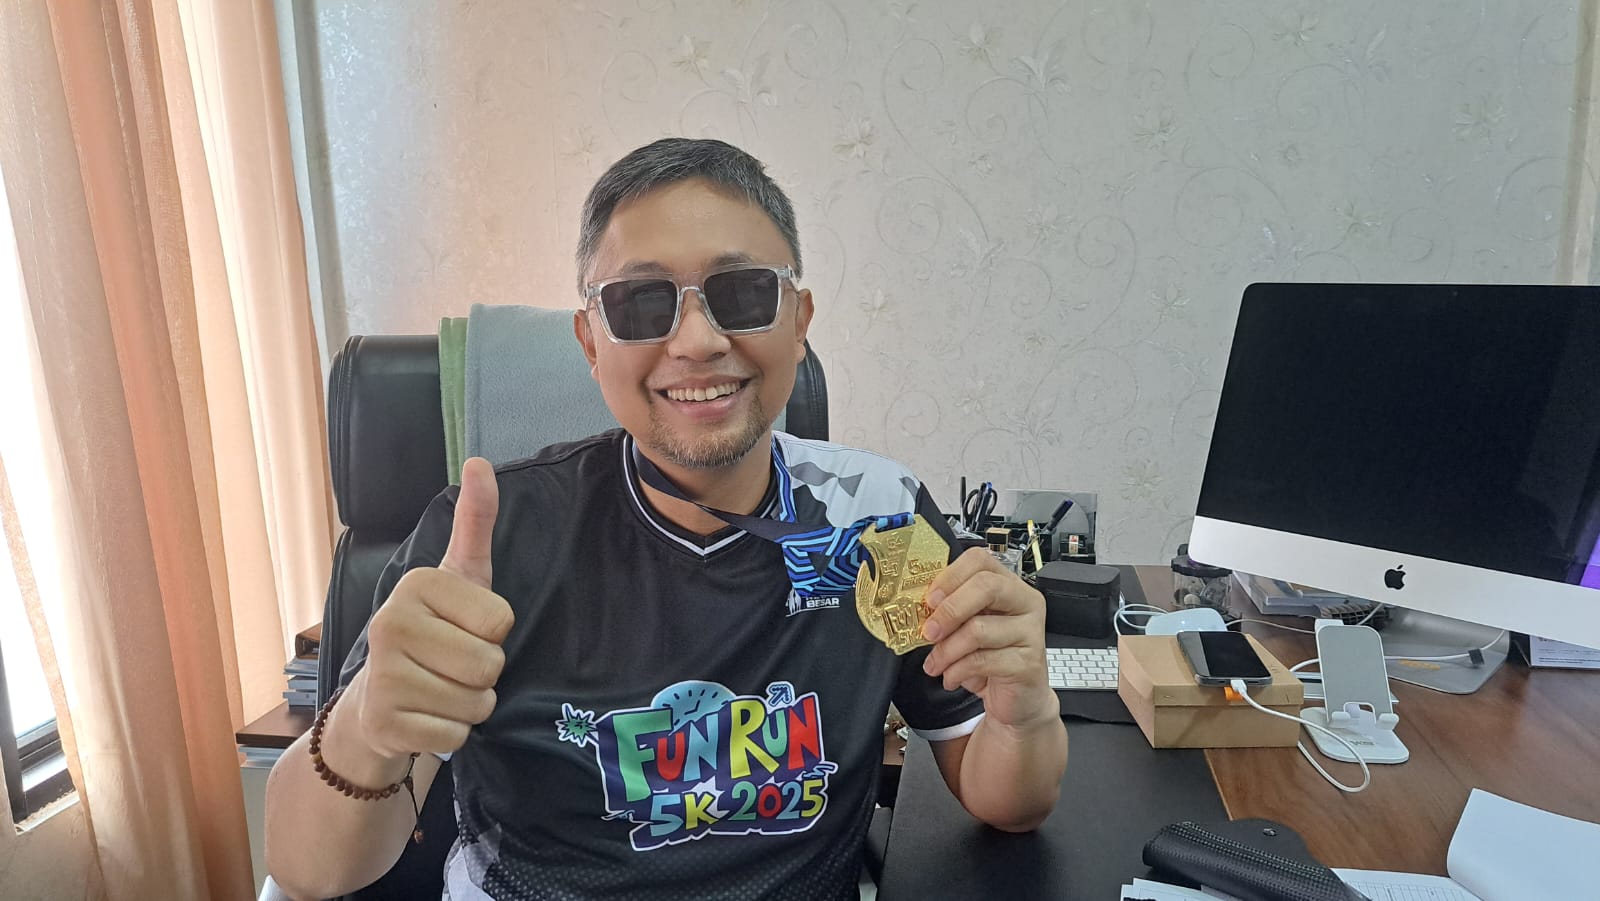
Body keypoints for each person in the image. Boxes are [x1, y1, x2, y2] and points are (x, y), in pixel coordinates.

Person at [265, 138, 1067, 900]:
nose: (698, 340)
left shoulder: (878, 518)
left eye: (743, 292)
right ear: (590, 342)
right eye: (641, 303)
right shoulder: (487, 539)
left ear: (799, 320)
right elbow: (308, 871)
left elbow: (1008, 799)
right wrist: (368, 727)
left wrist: (1023, 707)